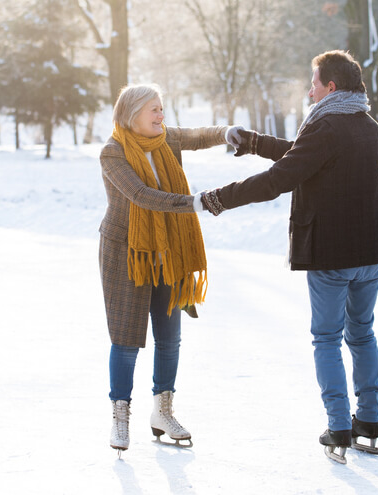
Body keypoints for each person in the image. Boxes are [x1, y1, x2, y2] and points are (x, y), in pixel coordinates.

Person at [200, 50, 378, 464]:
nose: (309, 90)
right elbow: (305, 155)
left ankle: (339, 425)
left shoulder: (326, 127)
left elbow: (281, 178)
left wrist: (218, 199)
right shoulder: (367, 125)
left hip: (332, 256)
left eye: (314, 83)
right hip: (371, 253)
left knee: (326, 338)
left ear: (331, 88)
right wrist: (253, 142)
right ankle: (368, 423)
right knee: (362, 335)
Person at [99, 83, 231, 456]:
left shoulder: (166, 141)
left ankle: (163, 411)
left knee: (170, 337)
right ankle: (120, 415)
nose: (161, 116)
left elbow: (200, 135)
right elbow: (141, 195)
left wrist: (228, 133)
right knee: (126, 340)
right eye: (154, 110)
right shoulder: (113, 153)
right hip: (128, 252)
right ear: (131, 114)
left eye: (162, 108)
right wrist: (195, 204)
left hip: (168, 251)